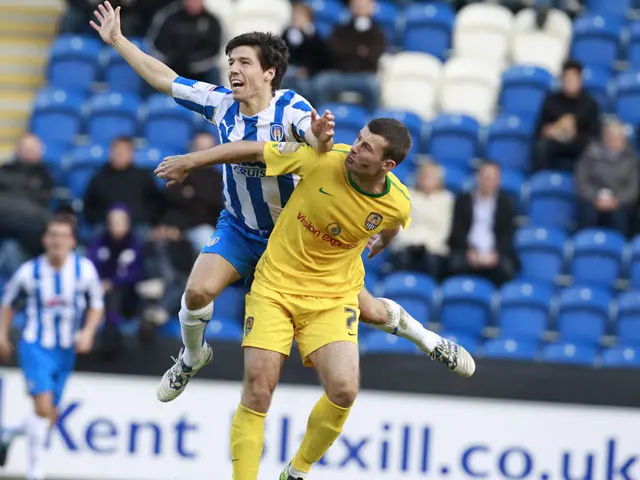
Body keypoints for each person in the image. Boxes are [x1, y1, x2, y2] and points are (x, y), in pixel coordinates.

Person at [90, 1, 456, 404]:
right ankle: (193, 357)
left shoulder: (293, 108)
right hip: (240, 227)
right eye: (231, 61)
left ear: (269, 73)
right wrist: (118, 40)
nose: (233, 69)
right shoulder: (221, 103)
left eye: (244, 62)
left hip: (295, 240)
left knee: (367, 310)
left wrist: (320, 137)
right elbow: (166, 79)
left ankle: (427, 338)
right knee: (195, 294)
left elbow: (318, 143)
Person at [155, 118, 476, 480]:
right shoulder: (322, 159)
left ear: (388, 165)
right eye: (358, 139)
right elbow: (251, 150)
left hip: (332, 297)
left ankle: (296, 471)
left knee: (344, 390)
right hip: (274, 288)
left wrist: (383, 241)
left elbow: (395, 220)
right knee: (258, 391)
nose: (355, 147)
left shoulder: (397, 201)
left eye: (367, 147)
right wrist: (191, 160)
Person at [0, 214, 104, 480]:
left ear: (73, 241)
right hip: (36, 345)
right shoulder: (29, 271)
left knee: (49, 416)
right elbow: (7, 302)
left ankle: (9, 433)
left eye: (63, 236)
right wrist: (2, 335)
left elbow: (96, 305)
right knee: (43, 408)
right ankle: (35, 473)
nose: (57, 241)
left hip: (65, 350)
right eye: (53, 235)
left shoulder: (85, 270)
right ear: (45, 239)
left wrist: (88, 332)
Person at [448, 161, 519, 286]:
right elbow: (457, 231)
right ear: (478, 177)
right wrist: (469, 251)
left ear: (498, 181)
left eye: (492, 179)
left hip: (495, 256)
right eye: (485, 178)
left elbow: (507, 234)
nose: (488, 182)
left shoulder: (506, 203)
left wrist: (495, 254)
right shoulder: (463, 200)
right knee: (451, 265)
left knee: (507, 270)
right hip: (467, 254)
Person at [87, 204, 144, 358]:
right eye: (111, 222)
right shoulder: (99, 242)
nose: (115, 226)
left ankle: (110, 345)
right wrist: (98, 284)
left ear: (128, 223)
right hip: (97, 291)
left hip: (128, 297)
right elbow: (89, 267)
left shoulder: (136, 244)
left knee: (114, 296)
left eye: (119, 222)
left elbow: (136, 274)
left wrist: (112, 283)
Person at [575, 118, 639, 237]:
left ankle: (619, 250)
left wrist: (616, 201)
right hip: (593, 200)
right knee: (586, 211)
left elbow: (633, 189)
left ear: (624, 139)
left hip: (619, 203)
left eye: (616, 137)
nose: (613, 140)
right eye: (610, 136)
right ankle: (586, 245)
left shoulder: (632, 159)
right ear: (604, 137)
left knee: (621, 215)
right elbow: (581, 180)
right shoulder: (590, 154)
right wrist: (595, 197)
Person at [389, 162, 454, 279]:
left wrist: (425, 243)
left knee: (432, 261)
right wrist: (414, 241)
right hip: (406, 245)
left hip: (434, 248)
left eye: (432, 176)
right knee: (403, 258)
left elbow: (443, 230)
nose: (427, 179)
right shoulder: (406, 195)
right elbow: (399, 225)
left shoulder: (447, 200)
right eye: (424, 175)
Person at [83, 136, 165, 227]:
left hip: (138, 225)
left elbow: (156, 204)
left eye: (124, 151)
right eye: (116, 150)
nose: (119, 154)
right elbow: (89, 207)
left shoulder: (143, 177)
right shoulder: (98, 177)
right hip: (105, 226)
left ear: (131, 154)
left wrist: (140, 217)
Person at [534, 59, 600, 172]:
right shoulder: (551, 100)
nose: (570, 82)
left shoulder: (590, 102)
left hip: (579, 142)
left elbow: (595, 133)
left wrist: (575, 132)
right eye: (567, 78)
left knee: (592, 149)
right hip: (555, 141)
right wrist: (552, 130)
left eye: (574, 78)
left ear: (580, 80)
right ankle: (543, 180)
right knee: (541, 147)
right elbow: (540, 128)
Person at [145, 0, 222, 84]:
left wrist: (193, 64)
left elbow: (215, 51)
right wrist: (173, 60)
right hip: (170, 68)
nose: (193, 3)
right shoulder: (168, 17)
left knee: (213, 72)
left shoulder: (212, 21)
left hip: (200, 71)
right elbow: (155, 45)